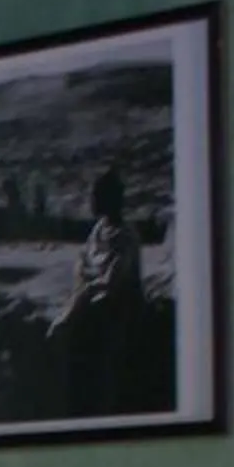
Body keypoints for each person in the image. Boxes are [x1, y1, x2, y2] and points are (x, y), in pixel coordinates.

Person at [48, 166, 153, 416]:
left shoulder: (126, 236)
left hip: (119, 306)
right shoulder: (97, 230)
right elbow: (83, 263)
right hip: (92, 296)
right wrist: (86, 284)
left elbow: (114, 280)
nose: (92, 200)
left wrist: (90, 288)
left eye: (97, 194)